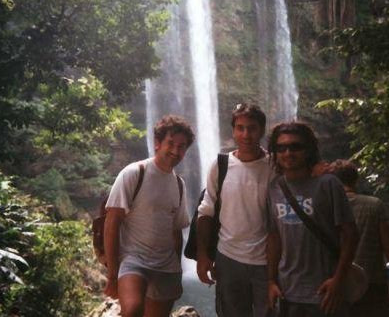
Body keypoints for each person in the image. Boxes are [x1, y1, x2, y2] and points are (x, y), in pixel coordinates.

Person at [103, 115, 195, 317]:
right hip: (134, 260)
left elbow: (176, 231)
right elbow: (112, 223)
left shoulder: (179, 184)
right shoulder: (134, 173)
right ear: (157, 143)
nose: (175, 151)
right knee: (133, 310)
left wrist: (177, 269)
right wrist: (112, 274)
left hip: (166, 266)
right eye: (170, 143)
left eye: (182, 147)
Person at [266, 122, 357, 317]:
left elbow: (350, 235)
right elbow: (274, 238)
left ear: (308, 150)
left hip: (325, 292)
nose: (288, 152)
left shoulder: (328, 184)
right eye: (281, 148)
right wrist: (271, 281)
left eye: (295, 146)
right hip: (287, 292)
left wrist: (338, 280)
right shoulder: (274, 188)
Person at [196, 103, 275, 317]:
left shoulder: (274, 167)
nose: (246, 134)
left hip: (266, 261)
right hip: (228, 258)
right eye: (240, 128)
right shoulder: (220, 166)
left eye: (252, 128)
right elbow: (206, 213)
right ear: (233, 130)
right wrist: (203, 255)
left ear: (262, 130)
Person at [328, 159, 389, 317]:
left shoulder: (326, 207)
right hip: (373, 282)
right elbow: (387, 245)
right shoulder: (375, 205)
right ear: (355, 179)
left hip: (338, 283)